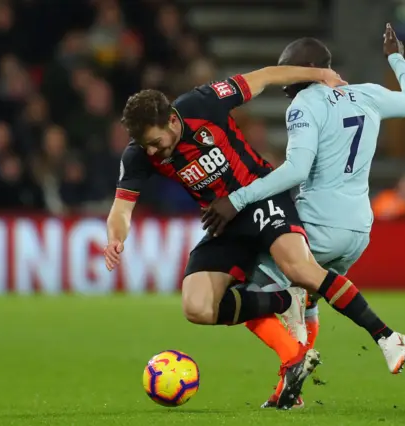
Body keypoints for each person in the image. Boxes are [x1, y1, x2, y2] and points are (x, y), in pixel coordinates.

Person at [201, 24, 405, 407]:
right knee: (307, 300)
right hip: (358, 229)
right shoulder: (366, 95)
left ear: (307, 68)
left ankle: (304, 357)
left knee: (243, 292)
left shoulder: (304, 104)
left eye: (287, 69)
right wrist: (396, 57)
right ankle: (289, 394)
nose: (283, 80)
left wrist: (237, 199)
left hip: (318, 223)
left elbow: (296, 170)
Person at [104, 64, 350, 410]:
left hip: (262, 199)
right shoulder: (139, 154)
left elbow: (263, 77)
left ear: (172, 121)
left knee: (298, 268)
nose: (152, 152)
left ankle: (353, 330)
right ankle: (286, 316)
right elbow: (121, 209)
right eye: (145, 145)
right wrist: (116, 238)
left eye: (156, 143)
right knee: (197, 306)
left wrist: (320, 74)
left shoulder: (204, 103)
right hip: (224, 223)